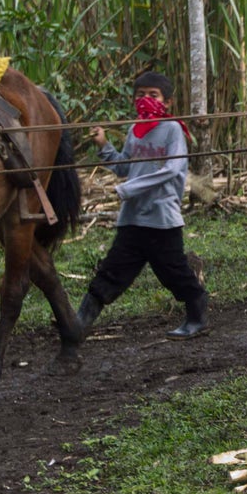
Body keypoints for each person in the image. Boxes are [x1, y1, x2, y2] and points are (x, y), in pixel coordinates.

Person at [72, 70, 209, 340]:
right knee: (111, 271)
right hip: (132, 218)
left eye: (153, 95)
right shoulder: (135, 130)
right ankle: (79, 324)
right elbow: (125, 167)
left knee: (174, 273)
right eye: (140, 95)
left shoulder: (172, 130)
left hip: (161, 219)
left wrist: (128, 189)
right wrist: (104, 146)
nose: (146, 99)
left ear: (167, 102)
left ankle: (198, 318)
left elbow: (172, 170)